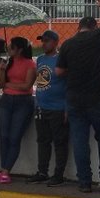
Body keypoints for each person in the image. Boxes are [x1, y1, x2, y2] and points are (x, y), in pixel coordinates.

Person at [56, 0, 100, 193]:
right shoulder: (99, 36)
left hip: (74, 98)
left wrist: (74, 68)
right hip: (98, 97)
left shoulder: (68, 44)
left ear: (78, 27)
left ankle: (84, 182)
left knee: (80, 140)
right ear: (94, 27)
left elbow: (59, 71)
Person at [0, 37, 35, 184]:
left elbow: (27, 85)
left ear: (19, 50)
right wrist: (1, 70)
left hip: (23, 102)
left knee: (14, 137)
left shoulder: (30, 64)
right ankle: (3, 168)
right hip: (6, 101)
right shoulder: (8, 63)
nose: (9, 49)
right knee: (3, 136)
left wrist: (8, 85)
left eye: (11, 47)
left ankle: (6, 171)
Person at [30, 31, 68, 185]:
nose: (43, 43)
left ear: (55, 42)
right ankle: (42, 171)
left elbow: (68, 84)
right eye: (42, 41)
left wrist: (67, 107)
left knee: (60, 142)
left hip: (58, 108)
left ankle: (58, 174)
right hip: (41, 106)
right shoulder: (40, 59)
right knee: (43, 141)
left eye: (46, 41)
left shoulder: (61, 60)